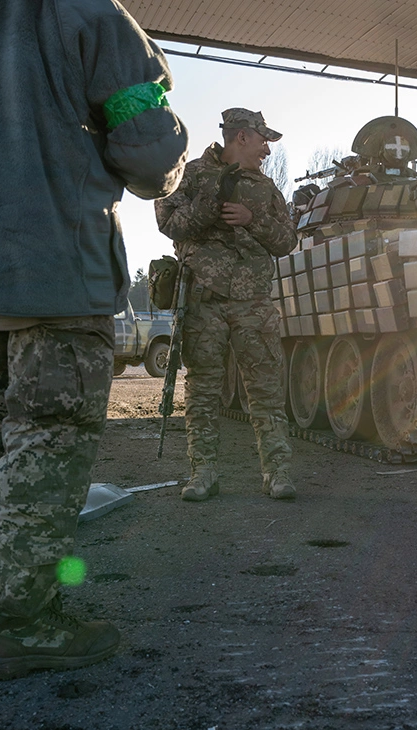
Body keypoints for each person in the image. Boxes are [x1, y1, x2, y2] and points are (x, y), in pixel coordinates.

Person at [0, 0, 188, 680]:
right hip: (61, 276)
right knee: (47, 454)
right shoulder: (88, 13)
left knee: (5, 446)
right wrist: (159, 175)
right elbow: (147, 143)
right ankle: (23, 624)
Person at [154, 109, 297, 502]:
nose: (267, 149)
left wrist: (252, 220)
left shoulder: (266, 189)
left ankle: (278, 473)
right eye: (263, 139)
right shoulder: (193, 174)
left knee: (266, 391)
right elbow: (170, 224)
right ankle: (203, 473)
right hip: (205, 302)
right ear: (242, 137)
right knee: (203, 392)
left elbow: (287, 240)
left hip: (253, 302)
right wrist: (210, 202)